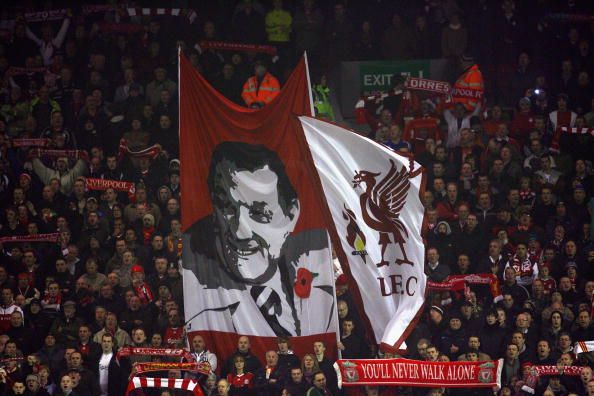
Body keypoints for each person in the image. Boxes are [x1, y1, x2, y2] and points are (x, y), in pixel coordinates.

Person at [183, 142, 335, 337]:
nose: (239, 232)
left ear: (291, 214)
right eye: (227, 207)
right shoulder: (195, 283)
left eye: (258, 213)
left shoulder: (321, 256)